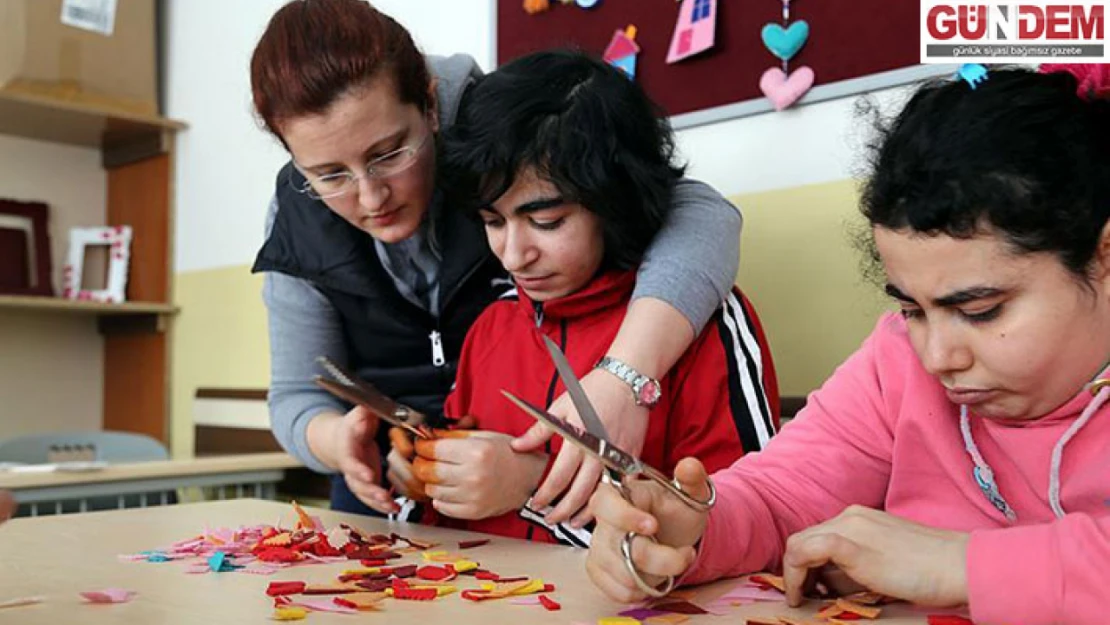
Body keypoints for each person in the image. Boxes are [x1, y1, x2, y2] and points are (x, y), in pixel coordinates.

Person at [586, 64, 1110, 625]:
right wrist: (693, 527)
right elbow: (781, 495)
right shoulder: (898, 363)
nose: (938, 359)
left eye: (980, 311)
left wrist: (960, 564)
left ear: (1102, 256)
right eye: (912, 309)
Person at [248, 0, 747, 522]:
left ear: (432, 105)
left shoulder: (498, 127)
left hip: (558, 490)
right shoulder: (297, 212)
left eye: (390, 153)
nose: (371, 197)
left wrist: (622, 378)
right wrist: (343, 443)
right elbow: (295, 394)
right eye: (330, 175)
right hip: (412, 501)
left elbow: (697, 213)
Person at [382, 50, 778, 545]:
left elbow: (742, 529)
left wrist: (530, 485)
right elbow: (459, 517)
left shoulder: (702, 327)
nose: (513, 255)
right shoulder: (493, 326)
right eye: (492, 222)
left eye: (546, 222)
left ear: (615, 205)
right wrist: (426, 479)